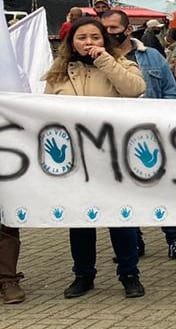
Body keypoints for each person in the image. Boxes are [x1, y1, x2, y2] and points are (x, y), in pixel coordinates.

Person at [44, 16, 148, 299]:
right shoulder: (58, 73)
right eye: (82, 38)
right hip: (76, 157)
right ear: (71, 42)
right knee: (80, 219)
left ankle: (129, 274)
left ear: (104, 40)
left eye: (94, 37)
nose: (88, 42)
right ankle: (83, 274)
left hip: (112, 155)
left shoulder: (121, 64)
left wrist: (105, 61)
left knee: (119, 217)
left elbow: (135, 89)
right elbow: (44, 112)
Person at [100, 10, 176, 264]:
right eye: (105, 28)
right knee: (124, 190)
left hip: (151, 135)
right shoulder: (98, 61)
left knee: (163, 188)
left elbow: (171, 92)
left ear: (127, 30)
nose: (109, 33)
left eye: (114, 28)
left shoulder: (151, 57)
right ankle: (133, 240)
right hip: (114, 138)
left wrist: (162, 119)